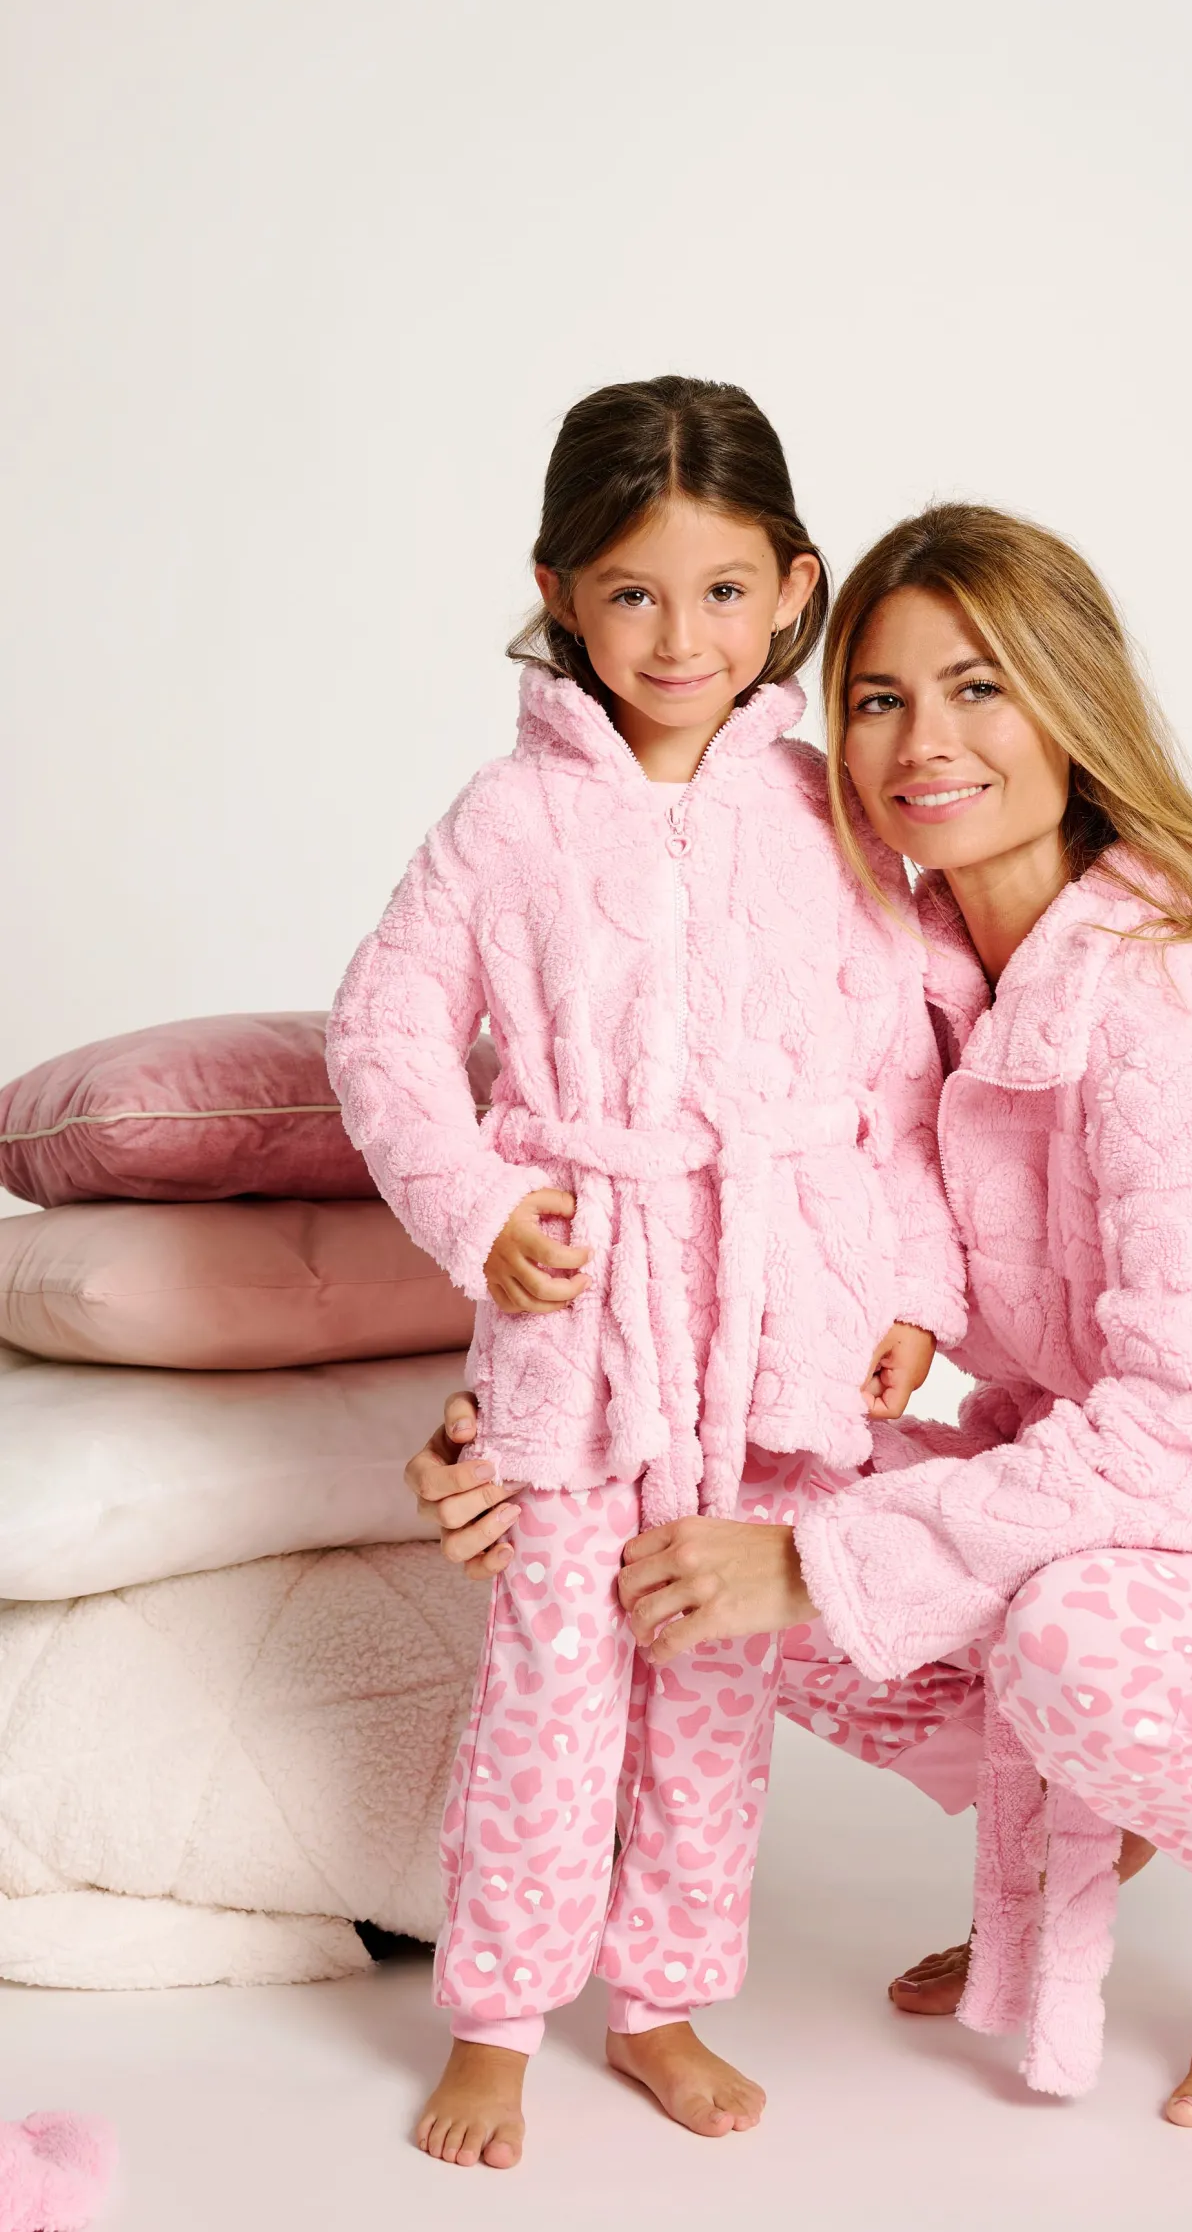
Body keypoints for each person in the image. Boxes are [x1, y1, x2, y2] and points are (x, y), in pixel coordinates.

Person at [411, 501, 1192, 2137]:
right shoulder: (901, 963)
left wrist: (817, 1560)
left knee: (1048, 1630)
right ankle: (1080, 1817)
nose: (924, 741)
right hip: (1103, 1497)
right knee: (696, 1513)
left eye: (980, 686)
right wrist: (515, 1416)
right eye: (879, 697)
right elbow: (639, 1178)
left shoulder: (1179, 1012)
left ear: (1074, 707)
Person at [326, 380, 966, 2170]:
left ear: (794, 588)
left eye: (722, 590)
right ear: (558, 590)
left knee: (715, 1680)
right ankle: (496, 2016)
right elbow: (382, 1029)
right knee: (551, 1671)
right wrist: (477, 1204)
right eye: (631, 592)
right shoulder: (505, 822)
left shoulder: (832, 814)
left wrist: (909, 1284)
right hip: (583, 1320)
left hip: (775, 1324)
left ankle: (662, 2000)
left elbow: (906, 1073)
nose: (680, 637)